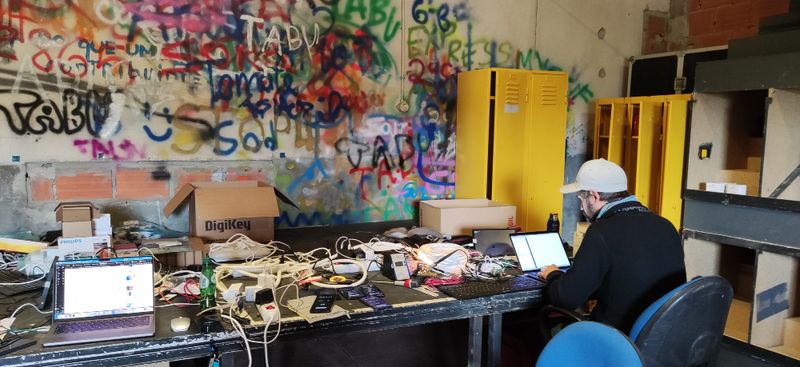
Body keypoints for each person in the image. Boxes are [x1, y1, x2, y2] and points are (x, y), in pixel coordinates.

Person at [539, 158, 686, 332]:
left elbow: (567, 298)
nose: (581, 208)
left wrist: (553, 274)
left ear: (594, 196)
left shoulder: (602, 231)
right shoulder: (665, 225)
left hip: (617, 339)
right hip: (663, 336)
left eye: (581, 199)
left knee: (541, 329)